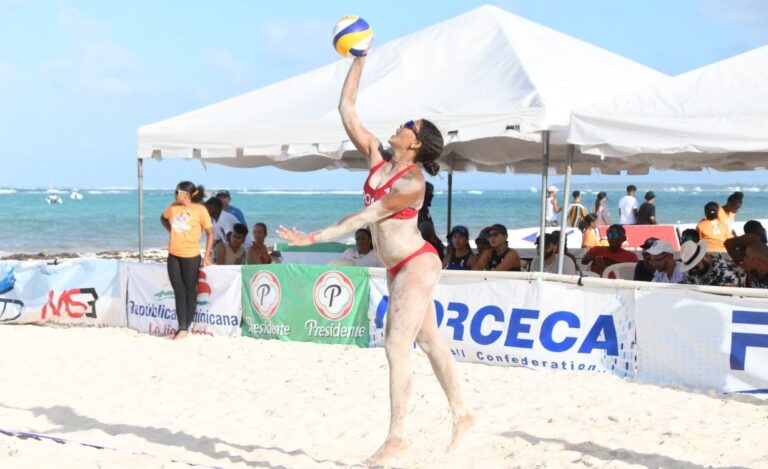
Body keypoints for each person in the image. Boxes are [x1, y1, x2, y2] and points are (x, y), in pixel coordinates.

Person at [277, 51, 474, 467]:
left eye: (409, 125)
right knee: (428, 339)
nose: (401, 124)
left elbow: (368, 216)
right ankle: (463, 414)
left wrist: (314, 236)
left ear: (415, 143)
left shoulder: (413, 183)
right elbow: (346, 108)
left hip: (418, 262)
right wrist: (359, 60)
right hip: (397, 265)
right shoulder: (376, 158)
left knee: (395, 345)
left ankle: (397, 437)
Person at [160, 181, 213, 340]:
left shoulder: (200, 210)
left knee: (190, 291)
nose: (174, 194)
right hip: (173, 255)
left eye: (176, 192)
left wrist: (207, 256)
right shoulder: (173, 208)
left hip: (191, 256)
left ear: (186, 194)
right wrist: (172, 231)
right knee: (178, 291)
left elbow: (210, 233)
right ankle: (181, 327)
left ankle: (184, 328)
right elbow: (163, 218)